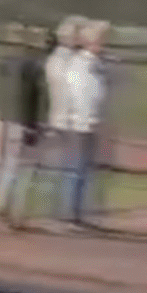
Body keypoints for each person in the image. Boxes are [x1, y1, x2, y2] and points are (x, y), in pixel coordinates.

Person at [0, 21, 50, 226]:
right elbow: (32, 97)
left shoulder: (3, 61)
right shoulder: (32, 66)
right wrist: (33, 124)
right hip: (16, 119)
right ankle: (0, 209)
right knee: (10, 165)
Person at [46, 17, 108, 227]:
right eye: (100, 40)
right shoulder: (80, 65)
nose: (103, 45)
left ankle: (75, 213)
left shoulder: (92, 64)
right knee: (75, 169)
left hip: (87, 123)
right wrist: (85, 119)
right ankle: (67, 215)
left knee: (81, 169)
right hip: (79, 124)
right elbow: (79, 95)